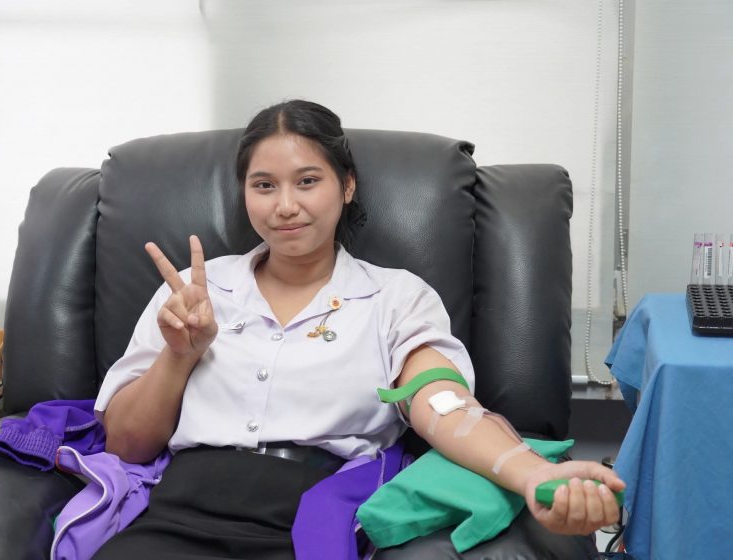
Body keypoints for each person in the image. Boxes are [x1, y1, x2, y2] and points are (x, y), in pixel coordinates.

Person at [91, 100, 625, 559]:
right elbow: (126, 445)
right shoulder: (194, 291)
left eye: (307, 181)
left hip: (309, 514)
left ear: (346, 185)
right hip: (181, 508)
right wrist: (179, 355)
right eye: (264, 185)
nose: (285, 206)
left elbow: (443, 403)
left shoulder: (396, 298)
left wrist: (532, 474)